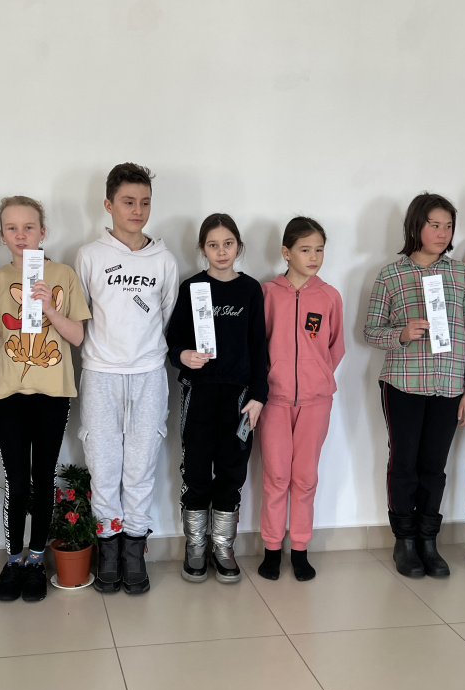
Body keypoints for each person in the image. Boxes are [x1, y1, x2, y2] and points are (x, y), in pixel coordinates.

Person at [363, 193, 465, 578]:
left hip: (450, 386)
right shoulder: (390, 275)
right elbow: (370, 331)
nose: (442, 233)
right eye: (434, 225)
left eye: (448, 226)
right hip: (402, 384)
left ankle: (429, 540)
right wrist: (401, 334)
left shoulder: (462, 275)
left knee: (435, 465)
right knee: (404, 463)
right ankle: (405, 541)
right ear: (416, 226)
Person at [0, 196, 90, 602]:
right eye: (12, 228)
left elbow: (77, 336)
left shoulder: (63, 275)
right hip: (9, 393)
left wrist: (49, 308)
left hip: (53, 392)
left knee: (43, 478)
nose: (21, 235)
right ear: (2, 235)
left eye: (29, 227)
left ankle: (37, 560)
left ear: (43, 232)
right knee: (16, 480)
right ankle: (13, 561)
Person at [75, 162, 179, 594]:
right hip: (101, 375)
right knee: (103, 468)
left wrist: (144, 355)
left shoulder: (164, 260)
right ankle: (108, 550)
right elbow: (81, 317)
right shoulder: (89, 256)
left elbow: (166, 316)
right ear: (108, 204)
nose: (137, 211)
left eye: (145, 202)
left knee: (140, 468)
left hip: (149, 374)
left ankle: (134, 552)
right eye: (128, 202)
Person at [165, 214, 268, 584]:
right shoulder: (192, 287)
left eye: (228, 244)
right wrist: (184, 356)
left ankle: (223, 546)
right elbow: (172, 341)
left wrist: (259, 396)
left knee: (232, 470)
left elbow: (259, 347)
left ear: (238, 245)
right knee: (195, 469)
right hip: (200, 393)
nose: (221, 251)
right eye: (213, 245)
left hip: (239, 397)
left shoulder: (251, 290)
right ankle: (196, 545)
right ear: (202, 248)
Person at [257, 217, 344, 582]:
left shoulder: (329, 296)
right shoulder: (267, 293)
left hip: (315, 401)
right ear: (286, 252)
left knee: (305, 477)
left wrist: (316, 378)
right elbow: (257, 345)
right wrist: (271, 379)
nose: (314, 257)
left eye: (319, 250)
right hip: (274, 400)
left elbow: (335, 347)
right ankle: (271, 548)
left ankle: (300, 549)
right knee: (276, 476)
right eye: (305, 250)